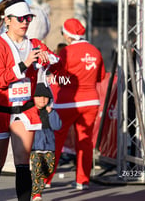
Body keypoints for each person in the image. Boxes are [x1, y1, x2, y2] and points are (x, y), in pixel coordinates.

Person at [0, 0, 57, 201]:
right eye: (21, 18)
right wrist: (24, 64)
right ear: (7, 20)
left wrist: (47, 61)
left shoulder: (35, 44)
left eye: (28, 18)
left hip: (24, 110)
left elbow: (55, 61)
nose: (25, 22)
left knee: (22, 162)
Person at [45, 18, 105, 190]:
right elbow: (100, 78)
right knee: (85, 141)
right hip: (91, 101)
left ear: (67, 35)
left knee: (56, 140)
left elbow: (59, 78)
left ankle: (46, 179)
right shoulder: (95, 51)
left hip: (68, 102)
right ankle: (82, 180)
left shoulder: (66, 52)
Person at [30, 79, 62, 201]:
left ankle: (39, 184)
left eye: (45, 97)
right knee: (37, 169)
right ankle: (36, 194)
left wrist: (52, 113)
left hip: (49, 146)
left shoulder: (51, 112)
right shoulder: (31, 111)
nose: (42, 100)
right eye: (38, 97)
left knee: (49, 169)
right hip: (34, 146)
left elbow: (57, 126)